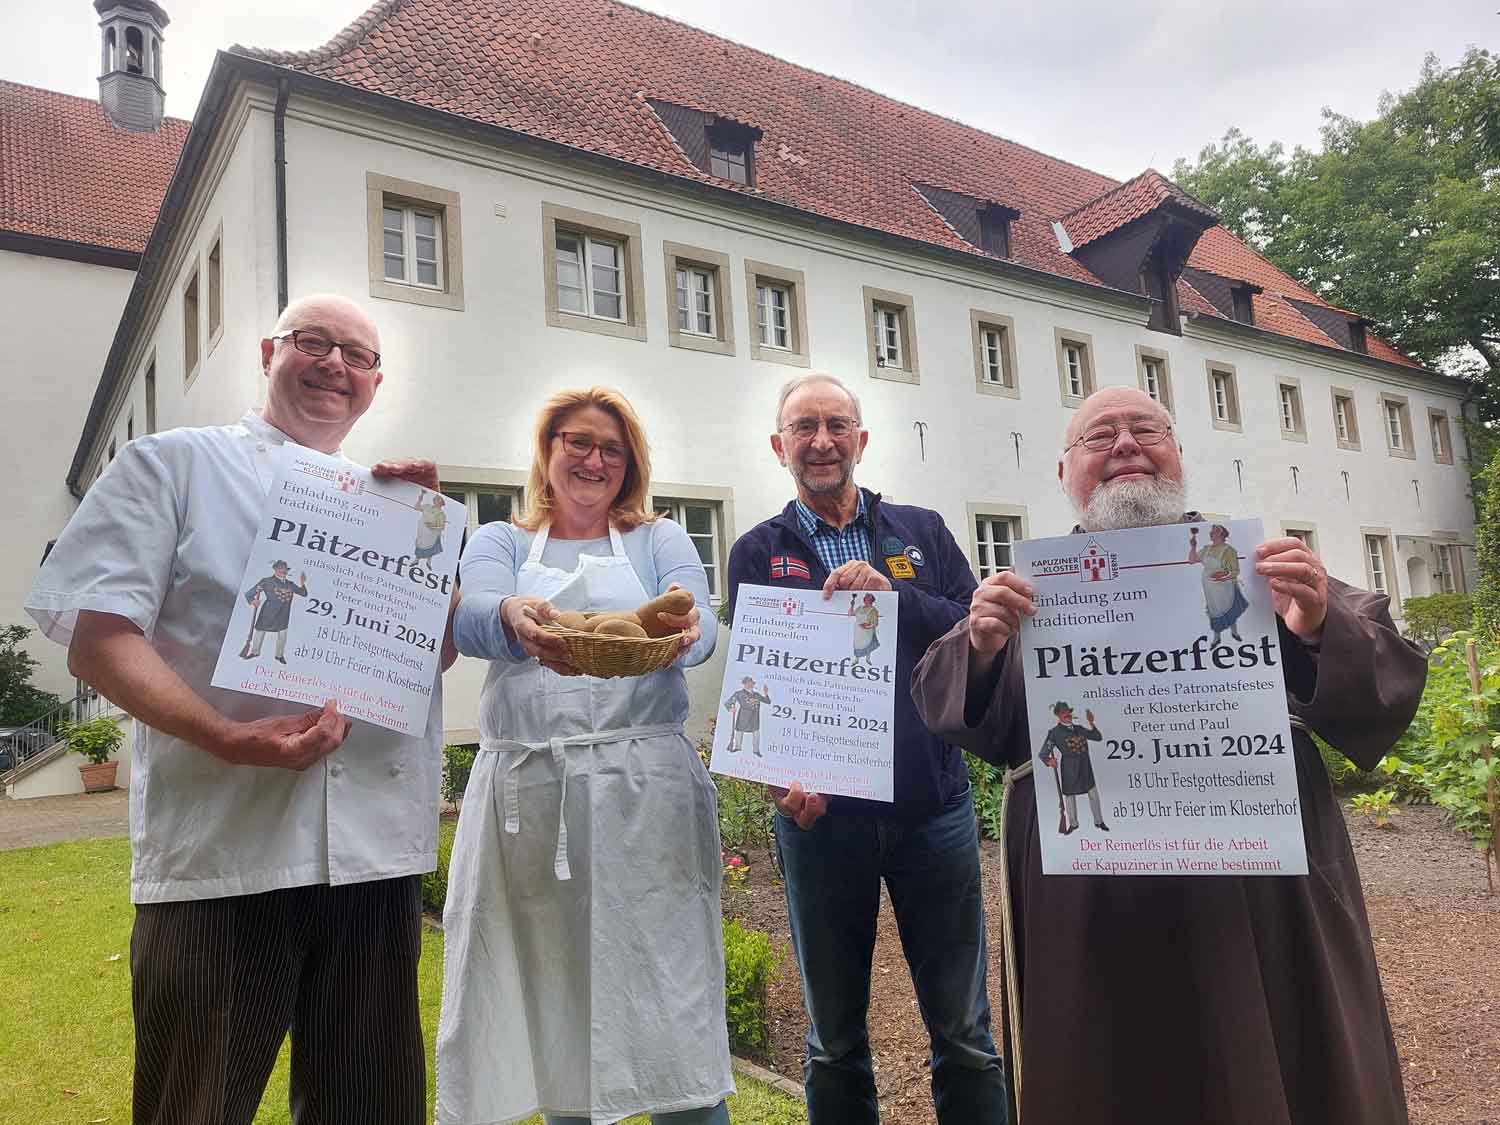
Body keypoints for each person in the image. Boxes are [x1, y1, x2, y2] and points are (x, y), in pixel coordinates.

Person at [912, 385, 1425, 1124]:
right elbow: (946, 702)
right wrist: (982, 642)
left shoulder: (1252, 566)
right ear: (1066, 472)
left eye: (1144, 428)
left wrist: (1317, 622)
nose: (1124, 444)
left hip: (1256, 902)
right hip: (1091, 913)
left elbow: (1387, 678)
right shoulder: (1035, 594)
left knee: (1273, 1069)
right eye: (1100, 436)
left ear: (1177, 454)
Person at [25, 294, 457, 1125]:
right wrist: (220, 733)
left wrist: (423, 548)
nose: (336, 365)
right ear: (269, 352)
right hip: (225, 859)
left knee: (372, 1111)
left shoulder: (395, 503)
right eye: (314, 343)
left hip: (370, 863)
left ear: (373, 383)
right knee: (196, 1107)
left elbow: (423, 660)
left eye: (357, 356)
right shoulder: (173, 464)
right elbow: (97, 636)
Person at [436, 386, 730, 1125]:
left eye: (610, 447)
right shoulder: (502, 541)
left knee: (672, 993)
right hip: (534, 799)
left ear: (629, 462)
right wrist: (511, 615)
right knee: (553, 993)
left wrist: (691, 628)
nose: (593, 458)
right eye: (577, 440)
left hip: (645, 792)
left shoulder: (657, 538)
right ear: (548, 450)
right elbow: (472, 617)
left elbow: (697, 613)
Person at [726, 373, 1008, 1124]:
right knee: (834, 1041)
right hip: (821, 823)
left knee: (965, 1033)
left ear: (861, 438)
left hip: (931, 809)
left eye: (837, 424)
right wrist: (772, 784)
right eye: (805, 427)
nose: (822, 440)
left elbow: (974, 625)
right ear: (779, 445)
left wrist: (892, 594)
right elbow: (749, 686)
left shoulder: (922, 529)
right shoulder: (757, 550)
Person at [1037, 701, 1106, 834]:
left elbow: (1098, 737)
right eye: (1063, 713)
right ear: (1058, 715)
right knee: (1069, 797)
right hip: (1069, 768)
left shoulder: (1079, 728)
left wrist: (1091, 722)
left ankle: (1099, 821)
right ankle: (1073, 824)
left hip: (1085, 767)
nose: (1067, 714)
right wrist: (1048, 760)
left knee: (1093, 794)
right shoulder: (1054, 733)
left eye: (1068, 712)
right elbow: (1043, 753)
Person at [1189, 523, 1248, 646]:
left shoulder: (1229, 551)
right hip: (1209, 587)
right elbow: (1192, 560)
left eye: (1214, 531)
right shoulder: (1206, 549)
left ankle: (1234, 632)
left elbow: (1235, 571)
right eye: (1211, 531)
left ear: (1221, 534)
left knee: (1229, 608)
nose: (1211, 533)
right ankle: (1217, 637)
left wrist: (1223, 577)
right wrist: (1193, 546)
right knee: (1214, 611)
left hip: (1225, 586)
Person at [241, 560, 307, 662]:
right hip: (268, 613)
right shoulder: (266, 581)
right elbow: (249, 594)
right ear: (275, 570)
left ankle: (279, 655)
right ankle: (255, 652)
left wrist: (302, 583)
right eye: (280, 569)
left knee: (282, 636)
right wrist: (253, 601)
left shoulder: (290, 584)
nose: (282, 571)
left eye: (284, 569)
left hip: (283, 615)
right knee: (259, 632)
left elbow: (303, 593)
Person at [725, 676, 771, 755]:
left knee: (756, 733)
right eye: (748, 683)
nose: (750, 685)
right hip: (743, 716)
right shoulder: (739, 693)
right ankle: (737, 747)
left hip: (754, 718)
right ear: (744, 684)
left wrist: (766, 693)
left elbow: (767, 701)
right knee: (739, 732)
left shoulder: (756, 694)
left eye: (751, 683)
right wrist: (731, 708)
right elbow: (728, 703)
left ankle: (756, 750)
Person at [849, 591, 881, 663]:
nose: (865, 600)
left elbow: (875, 623)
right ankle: (857, 659)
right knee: (857, 644)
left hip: (867, 631)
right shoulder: (859, 608)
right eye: (865, 598)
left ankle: (868, 659)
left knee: (867, 644)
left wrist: (867, 627)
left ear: (871, 600)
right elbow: (851, 613)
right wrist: (852, 605)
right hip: (858, 630)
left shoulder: (873, 610)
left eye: (867, 599)